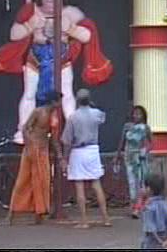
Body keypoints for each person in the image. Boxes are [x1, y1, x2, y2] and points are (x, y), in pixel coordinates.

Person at [0, 0, 114, 144]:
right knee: (29, 94)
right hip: (35, 58)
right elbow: (13, 35)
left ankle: (73, 132)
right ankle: (22, 129)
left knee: (67, 95)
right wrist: (30, 25)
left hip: (62, 58)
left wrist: (70, 28)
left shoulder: (71, 12)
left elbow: (87, 36)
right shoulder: (31, 11)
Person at [8, 91, 63, 225]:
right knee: (23, 181)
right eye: (59, 101)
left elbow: (54, 139)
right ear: (53, 102)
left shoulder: (54, 117)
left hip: (43, 152)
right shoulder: (39, 112)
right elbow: (26, 128)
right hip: (32, 150)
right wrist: (30, 145)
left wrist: (60, 156)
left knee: (42, 182)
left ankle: (39, 214)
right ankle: (12, 214)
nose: (60, 104)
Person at [61, 88, 111, 229]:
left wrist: (65, 158)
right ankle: (106, 218)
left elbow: (67, 141)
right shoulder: (96, 114)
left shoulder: (73, 117)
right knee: (96, 184)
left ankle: (84, 220)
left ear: (76, 100)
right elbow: (103, 117)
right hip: (93, 150)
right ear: (89, 100)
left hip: (78, 151)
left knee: (79, 186)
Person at [116, 105, 152, 218]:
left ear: (143, 115)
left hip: (140, 158)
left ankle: (138, 207)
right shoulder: (127, 126)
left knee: (141, 182)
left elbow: (150, 142)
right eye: (135, 113)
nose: (136, 116)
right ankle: (134, 205)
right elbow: (122, 141)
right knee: (131, 182)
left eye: (139, 114)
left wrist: (145, 151)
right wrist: (117, 155)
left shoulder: (145, 128)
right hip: (129, 157)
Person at [140, 173, 167, 249]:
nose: (141, 189)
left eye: (142, 187)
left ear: (149, 189)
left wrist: (160, 242)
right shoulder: (165, 203)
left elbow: (151, 229)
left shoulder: (148, 207)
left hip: (152, 242)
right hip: (166, 239)